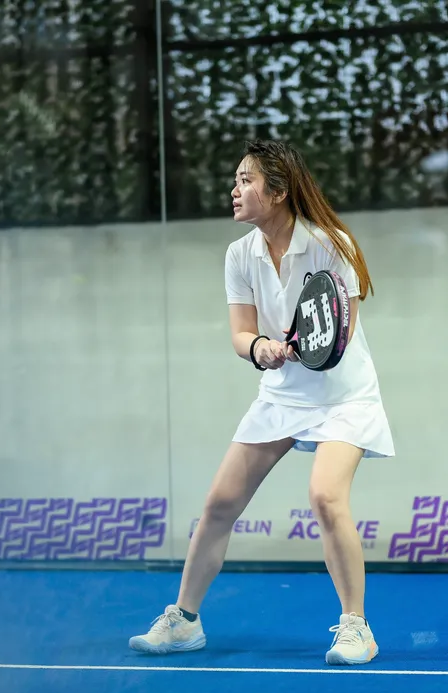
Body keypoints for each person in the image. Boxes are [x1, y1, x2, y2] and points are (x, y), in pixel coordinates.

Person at [129, 139, 395, 665]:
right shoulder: (239, 255)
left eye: (245, 180)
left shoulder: (332, 244)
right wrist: (260, 348)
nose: (234, 189)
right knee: (219, 503)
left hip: (343, 397)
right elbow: (240, 333)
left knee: (326, 497)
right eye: (236, 180)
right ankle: (184, 620)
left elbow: (338, 336)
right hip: (281, 395)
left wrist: (292, 347)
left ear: (278, 191)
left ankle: (356, 628)